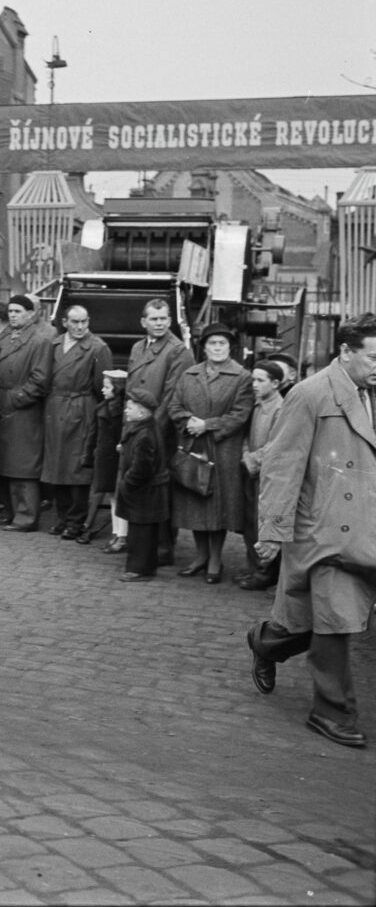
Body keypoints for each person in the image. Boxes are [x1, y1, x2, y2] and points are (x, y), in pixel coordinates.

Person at [246, 313, 376, 750]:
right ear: (346, 351)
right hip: (325, 532)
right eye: (373, 357)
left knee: (313, 623)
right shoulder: (311, 394)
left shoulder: (371, 392)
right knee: (335, 623)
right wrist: (272, 531)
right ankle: (331, 713)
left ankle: (266, 642)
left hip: (368, 529)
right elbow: (281, 466)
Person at [169, 321, 253, 584]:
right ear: (203, 347)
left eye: (222, 343)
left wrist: (208, 425)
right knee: (195, 503)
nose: (217, 348)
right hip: (194, 447)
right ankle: (200, 556)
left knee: (218, 507)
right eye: (212, 343)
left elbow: (240, 414)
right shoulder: (189, 374)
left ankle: (215, 560)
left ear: (231, 347)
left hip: (223, 450)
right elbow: (174, 406)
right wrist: (188, 422)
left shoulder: (241, 377)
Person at [124, 298, 194, 564]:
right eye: (154, 319)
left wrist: (152, 430)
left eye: (163, 318)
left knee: (159, 490)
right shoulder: (138, 347)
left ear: (170, 320)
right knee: (140, 483)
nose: (159, 323)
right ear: (143, 321)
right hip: (137, 428)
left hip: (159, 432)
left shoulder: (178, 351)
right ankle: (141, 543)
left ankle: (163, 547)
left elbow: (172, 396)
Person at [42, 304, 113, 539]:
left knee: (77, 467)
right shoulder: (54, 344)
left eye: (84, 321)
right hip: (55, 408)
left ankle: (76, 520)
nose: (80, 327)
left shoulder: (97, 348)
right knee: (57, 465)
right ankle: (62, 516)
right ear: (65, 323)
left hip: (81, 410)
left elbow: (101, 387)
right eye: (75, 322)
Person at [0, 294, 51, 533]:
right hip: (1, 405)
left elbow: (40, 380)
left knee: (23, 466)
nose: (13, 315)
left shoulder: (39, 341)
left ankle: (26, 517)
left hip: (23, 410)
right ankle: (10, 511)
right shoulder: (5, 336)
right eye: (11, 311)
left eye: (18, 312)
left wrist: (15, 399)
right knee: (4, 463)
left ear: (31, 314)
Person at [237, 360, 285, 591]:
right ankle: (254, 567)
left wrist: (252, 460)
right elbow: (247, 436)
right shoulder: (257, 405)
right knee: (250, 522)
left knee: (263, 523)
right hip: (251, 473)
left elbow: (277, 444)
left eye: (260, 380)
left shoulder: (281, 409)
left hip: (268, 476)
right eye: (253, 380)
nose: (254, 385)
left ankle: (265, 572)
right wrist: (246, 453)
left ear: (275, 383)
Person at [115, 388, 170, 582]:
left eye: (130, 408)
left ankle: (140, 570)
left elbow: (141, 469)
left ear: (141, 412)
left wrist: (126, 484)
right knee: (142, 531)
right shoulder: (144, 429)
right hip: (147, 492)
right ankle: (142, 567)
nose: (126, 410)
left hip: (145, 492)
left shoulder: (144, 434)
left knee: (142, 532)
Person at [79, 369, 127, 550]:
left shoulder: (121, 412)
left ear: (117, 388)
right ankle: (117, 533)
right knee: (113, 497)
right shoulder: (102, 408)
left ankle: (121, 536)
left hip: (115, 459)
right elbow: (93, 435)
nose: (102, 390)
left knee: (118, 497)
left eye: (107, 387)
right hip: (105, 458)